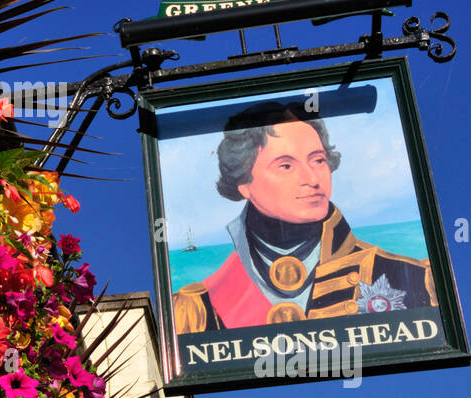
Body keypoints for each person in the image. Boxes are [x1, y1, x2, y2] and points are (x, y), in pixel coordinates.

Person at [173, 101, 436, 334]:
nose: (312, 179)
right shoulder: (196, 311)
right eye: (286, 166)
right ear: (244, 183)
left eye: (318, 160)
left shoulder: (415, 280)